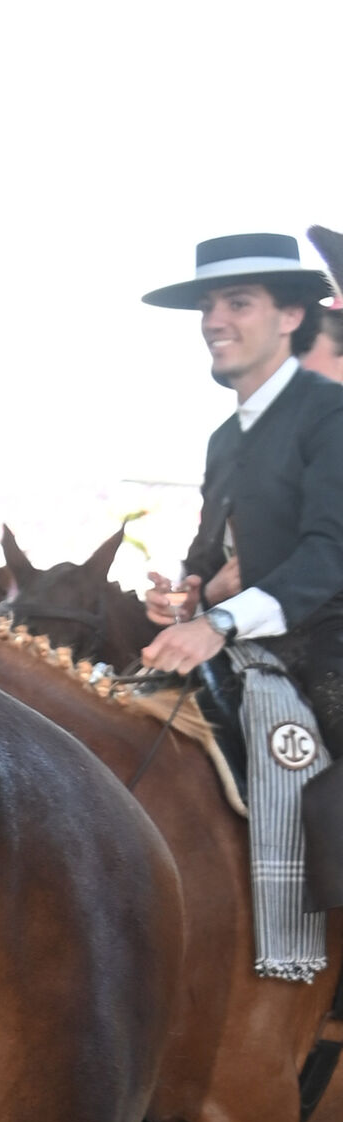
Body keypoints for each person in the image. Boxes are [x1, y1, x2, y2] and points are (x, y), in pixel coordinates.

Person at [138, 235, 343, 791]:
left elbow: (330, 553)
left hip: (329, 652)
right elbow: (210, 556)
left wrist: (218, 623)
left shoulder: (331, 412)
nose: (214, 321)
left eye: (238, 303)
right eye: (207, 307)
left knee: (331, 811)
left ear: (291, 316)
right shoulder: (223, 439)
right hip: (238, 656)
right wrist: (188, 596)